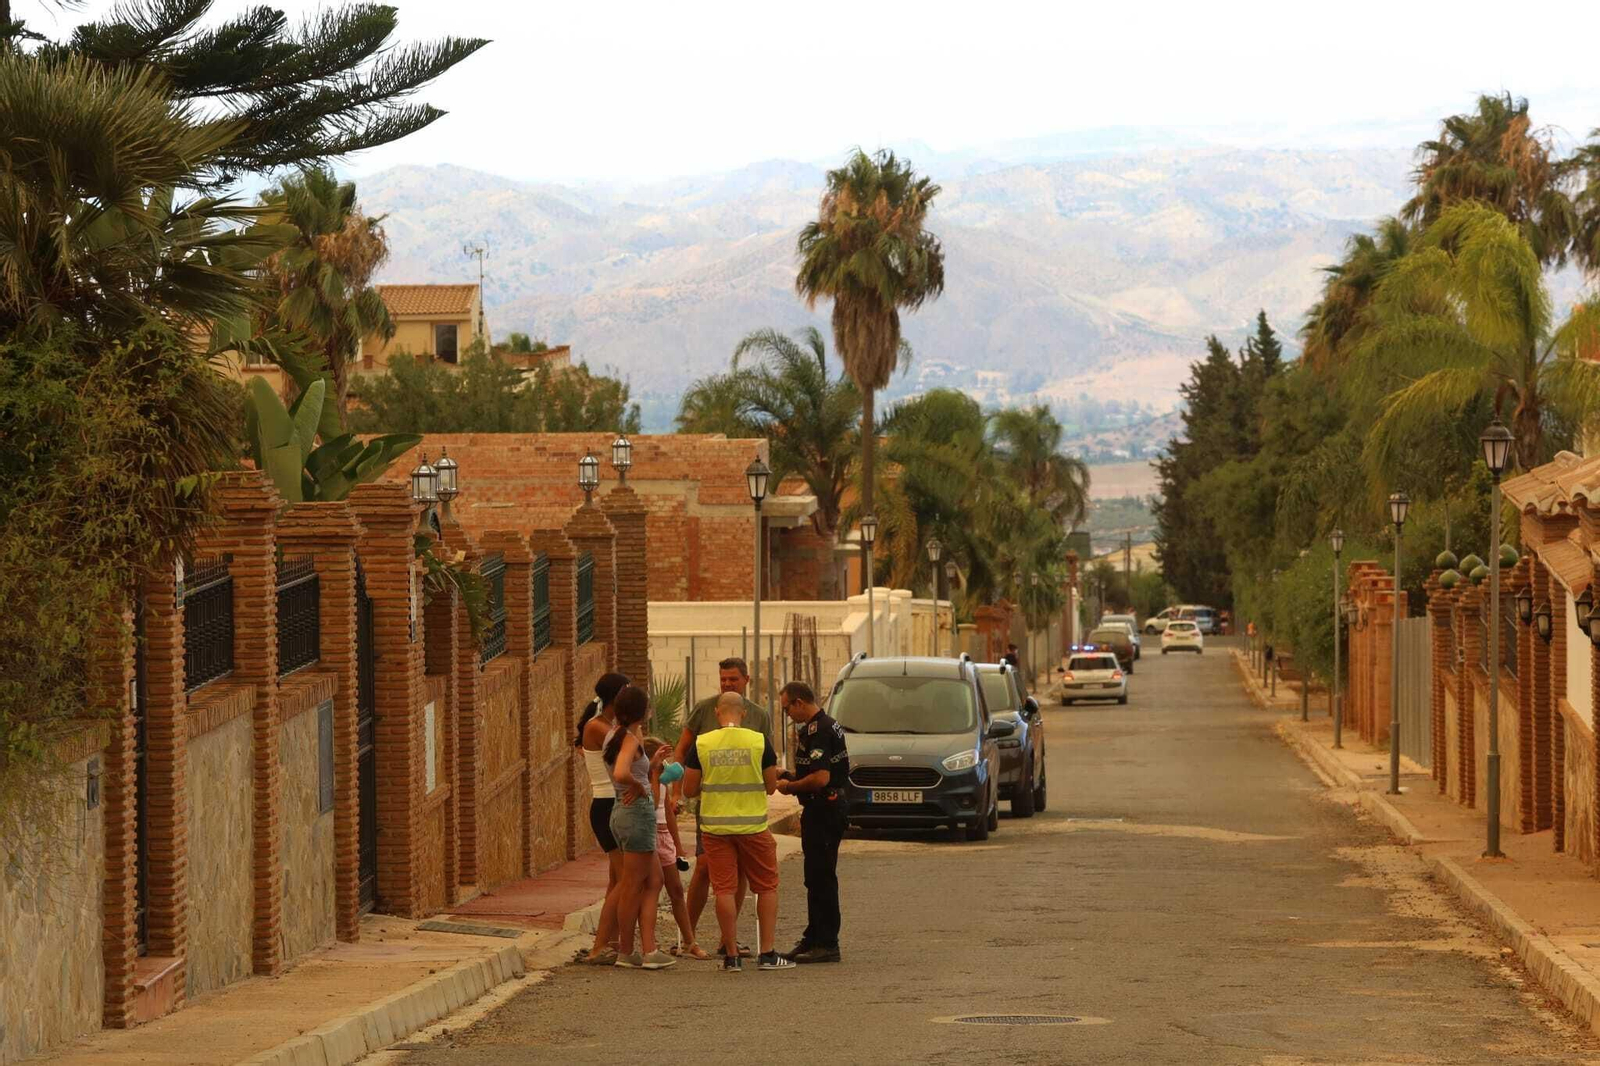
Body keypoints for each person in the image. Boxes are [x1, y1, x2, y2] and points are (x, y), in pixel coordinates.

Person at [682, 692, 793, 973]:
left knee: (724, 889)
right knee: (766, 886)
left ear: (718, 713)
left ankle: (731, 957)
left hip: (715, 828)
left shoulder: (703, 742)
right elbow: (770, 786)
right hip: (753, 826)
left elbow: (689, 789)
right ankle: (767, 953)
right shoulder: (758, 741)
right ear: (743, 714)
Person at [672, 656, 769, 956]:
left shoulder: (759, 716)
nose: (727, 683)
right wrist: (676, 793)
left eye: (733, 680)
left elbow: (767, 759)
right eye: (723, 679)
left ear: (746, 680)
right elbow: (682, 750)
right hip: (711, 808)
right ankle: (689, 937)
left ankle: (728, 941)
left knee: (735, 876)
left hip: (747, 811)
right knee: (704, 869)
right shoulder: (704, 709)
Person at [775, 680, 849, 964]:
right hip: (821, 808)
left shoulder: (819, 730)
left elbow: (821, 778)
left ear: (799, 703)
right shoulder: (824, 725)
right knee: (815, 877)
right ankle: (814, 936)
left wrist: (790, 788)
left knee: (822, 878)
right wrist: (791, 775)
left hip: (825, 810)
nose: (788, 715)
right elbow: (815, 770)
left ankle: (827, 942)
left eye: (787, 709)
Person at [603, 686, 676, 970]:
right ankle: (626, 949)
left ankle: (649, 948)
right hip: (636, 813)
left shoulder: (615, 734)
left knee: (654, 879)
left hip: (622, 812)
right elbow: (622, 772)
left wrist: (652, 766)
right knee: (632, 885)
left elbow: (629, 769)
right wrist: (637, 785)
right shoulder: (630, 739)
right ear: (641, 711)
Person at [573, 672, 630, 965]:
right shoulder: (599, 728)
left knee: (616, 878)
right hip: (607, 804)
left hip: (614, 802)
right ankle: (599, 946)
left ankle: (611, 940)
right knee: (626, 878)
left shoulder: (610, 726)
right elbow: (629, 749)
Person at [645, 736, 708, 960]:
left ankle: (690, 941)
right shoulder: (647, 779)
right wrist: (654, 775)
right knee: (649, 890)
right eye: (663, 760)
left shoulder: (663, 781)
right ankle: (648, 944)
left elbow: (667, 812)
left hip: (664, 837)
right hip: (648, 835)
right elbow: (652, 803)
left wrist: (678, 845)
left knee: (677, 891)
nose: (668, 765)